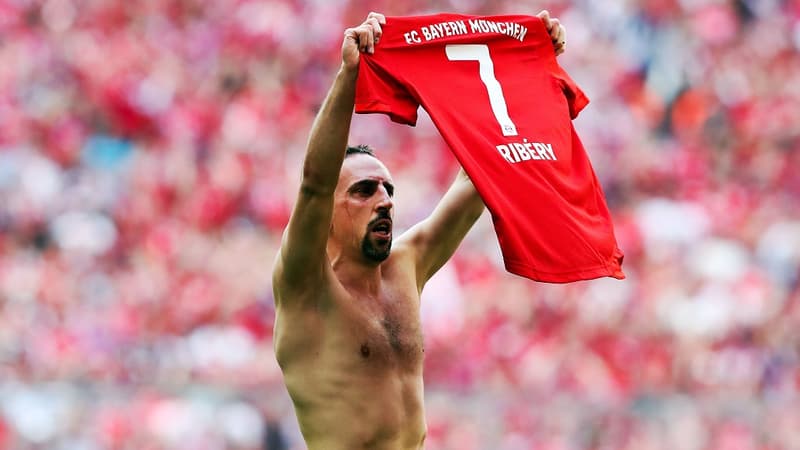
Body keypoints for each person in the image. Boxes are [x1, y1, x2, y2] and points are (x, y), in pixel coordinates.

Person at [272, 10, 566, 450]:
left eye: (388, 189)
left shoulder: (405, 265)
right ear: (326, 217)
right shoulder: (306, 287)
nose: (384, 200)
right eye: (364, 191)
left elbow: (480, 177)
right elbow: (314, 185)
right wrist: (349, 75)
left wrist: (529, 73)